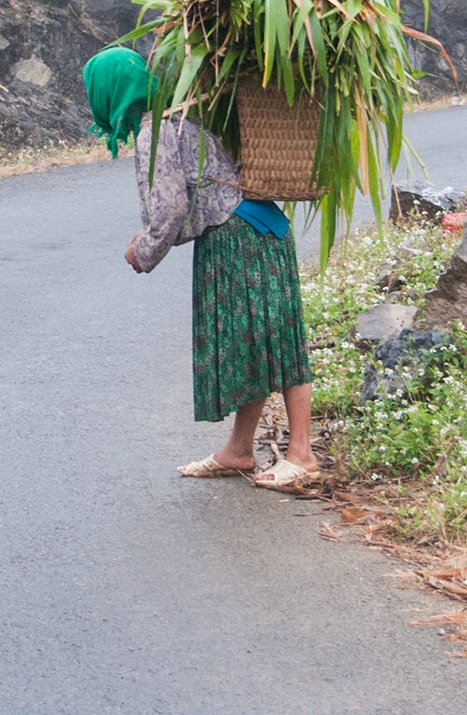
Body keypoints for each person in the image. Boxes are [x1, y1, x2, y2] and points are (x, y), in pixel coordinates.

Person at [82, 46, 319, 490]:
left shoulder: (156, 131)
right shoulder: (186, 116)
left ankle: (301, 455)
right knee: (257, 338)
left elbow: (170, 208)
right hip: (258, 226)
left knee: (276, 340)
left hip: (239, 237)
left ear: (110, 91)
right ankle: (239, 450)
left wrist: (144, 251)